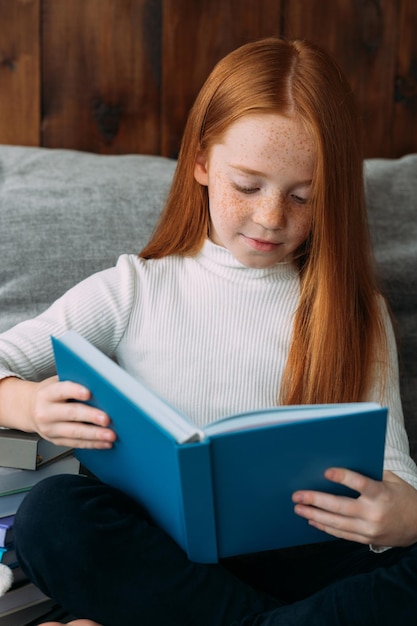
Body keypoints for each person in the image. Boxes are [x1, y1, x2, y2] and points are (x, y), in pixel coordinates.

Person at [1, 37, 417, 626]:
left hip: (302, 560)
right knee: (50, 516)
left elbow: (394, 469)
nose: (272, 217)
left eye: (303, 197)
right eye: (247, 185)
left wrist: (404, 515)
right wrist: (26, 402)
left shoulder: (356, 311)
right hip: (164, 562)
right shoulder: (133, 289)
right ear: (200, 162)